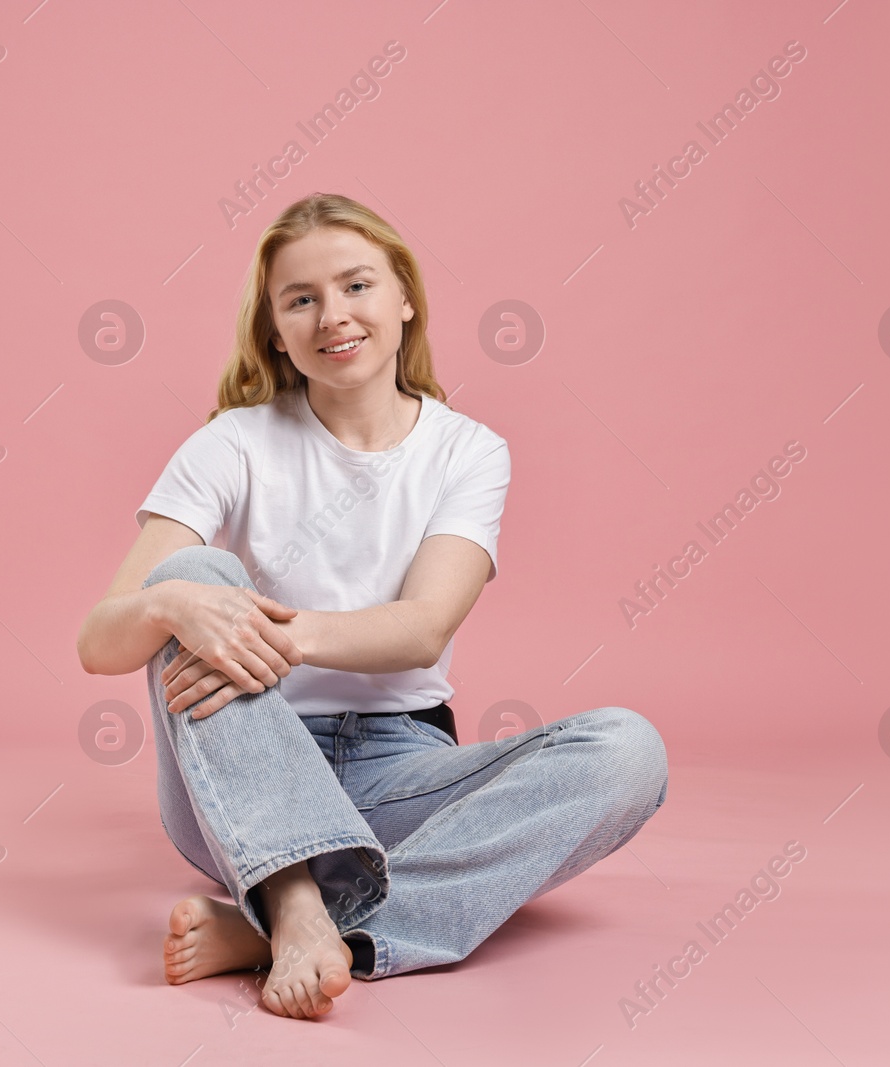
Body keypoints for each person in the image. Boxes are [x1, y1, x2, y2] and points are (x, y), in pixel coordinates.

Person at [77, 192, 668, 1021]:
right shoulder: (232, 442)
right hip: (243, 760)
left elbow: (423, 629)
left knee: (627, 751)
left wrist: (265, 630)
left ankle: (297, 929)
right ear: (276, 330)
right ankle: (289, 898)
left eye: (357, 286)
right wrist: (179, 602)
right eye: (301, 299)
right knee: (197, 570)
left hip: (399, 765)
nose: (334, 315)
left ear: (404, 298)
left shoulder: (468, 450)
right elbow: (99, 642)